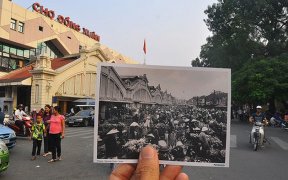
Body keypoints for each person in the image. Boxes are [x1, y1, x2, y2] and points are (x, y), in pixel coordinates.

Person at [110, 146, 189, 180]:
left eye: (165, 152)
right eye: (163, 152)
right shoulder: (160, 156)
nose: (164, 153)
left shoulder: (165, 157)